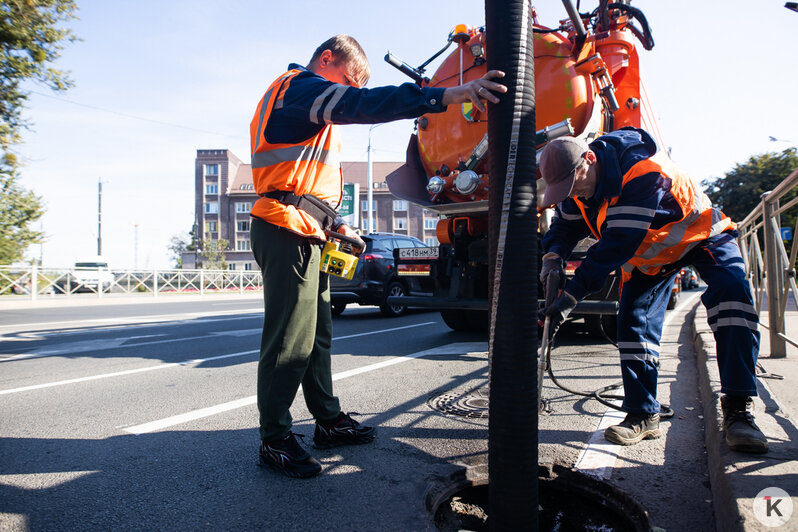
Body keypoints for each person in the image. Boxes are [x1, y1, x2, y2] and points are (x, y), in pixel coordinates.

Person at [249, 34, 507, 478]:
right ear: (326, 59)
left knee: (316, 338)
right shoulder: (297, 88)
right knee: (289, 340)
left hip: (307, 228)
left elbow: (302, 179)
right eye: (348, 79)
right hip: (283, 228)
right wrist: (445, 95)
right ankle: (274, 439)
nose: (349, 91)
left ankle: (327, 421)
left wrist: (337, 225)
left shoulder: (304, 101)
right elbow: (365, 105)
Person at [539, 127, 768, 454]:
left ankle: (739, 409)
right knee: (633, 323)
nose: (572, 192)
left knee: (732, 297)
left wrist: (569, 299)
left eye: (572, 183)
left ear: (588, 159)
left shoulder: (642, 171)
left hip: (700, 235)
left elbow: (614, 247)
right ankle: (643, 414)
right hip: (650, 256)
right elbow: (564, 226)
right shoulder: (577, 186)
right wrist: (552, 256)